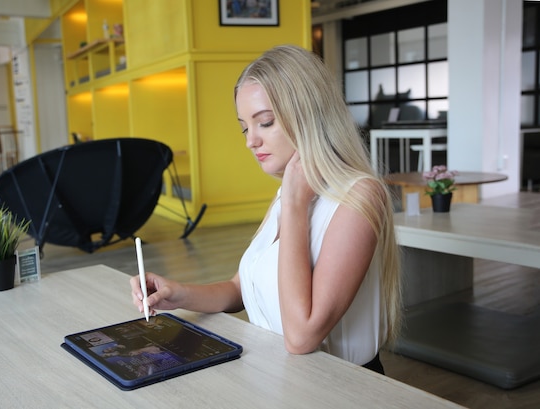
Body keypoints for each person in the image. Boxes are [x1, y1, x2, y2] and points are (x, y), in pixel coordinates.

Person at [131, 44, 402, 374]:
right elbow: (240, 289)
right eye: (245, 126)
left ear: (308, 114)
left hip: (341, 388)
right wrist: (178, 294)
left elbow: (302, 337)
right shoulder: (291, 192)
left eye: (265, 122)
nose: (250, 141)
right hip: (278, 378)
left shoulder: (358, 196)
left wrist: (294, 206)